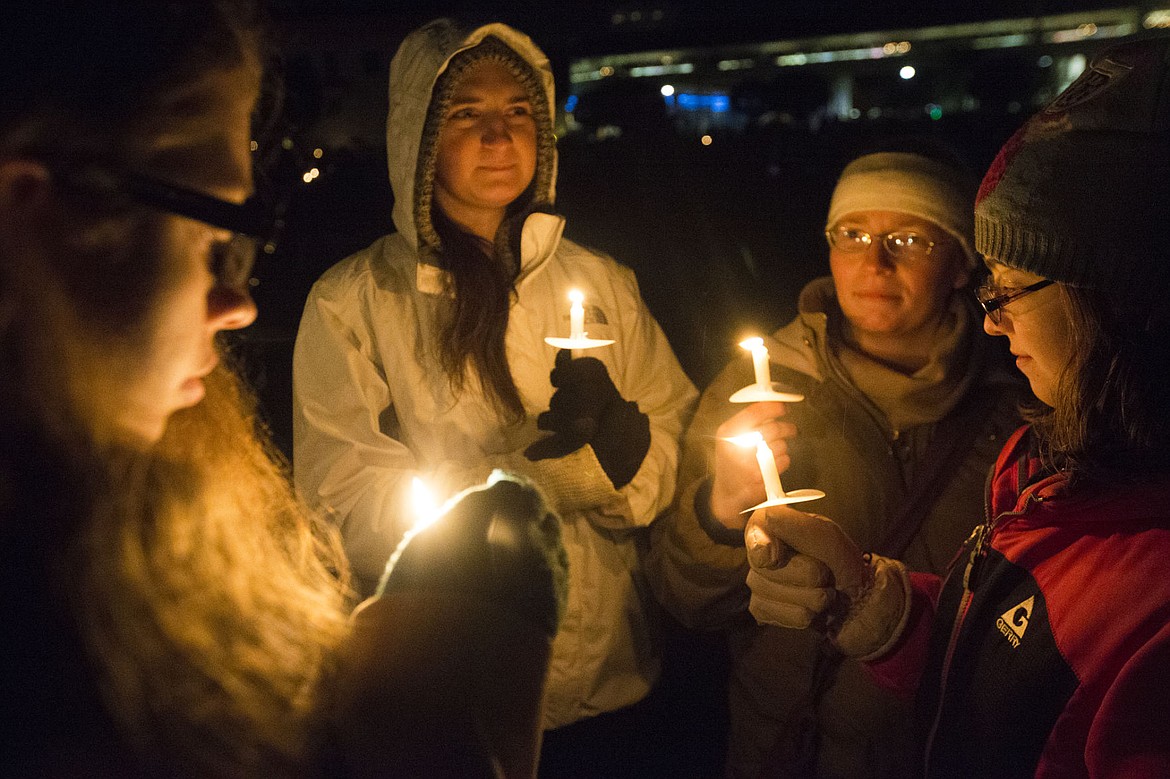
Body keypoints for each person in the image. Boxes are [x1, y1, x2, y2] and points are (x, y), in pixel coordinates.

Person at [0, 2, 566, 776]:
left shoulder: (149, 519)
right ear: (28, 215)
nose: (239, 306)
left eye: (244, 247)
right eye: (213, 240)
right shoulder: (46, 650)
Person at [744, 36, 1170, 778]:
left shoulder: (1148, 595)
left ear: (1115, 298)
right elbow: (1007, 657)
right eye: (850, 235)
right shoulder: (1051, 465)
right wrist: (872, 602)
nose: (993, 320)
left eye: (1009, 288)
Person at [290, 15, 697, 765]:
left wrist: (626, 468)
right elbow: (343, 502)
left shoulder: (600, 280)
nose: (497, 137)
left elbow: (674, 431)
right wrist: (539, 484)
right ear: (417, 135)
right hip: (456, 691)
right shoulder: (354, 302)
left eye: (517, 114)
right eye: (466, 115)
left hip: (614, 680)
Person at [646, 144, 1027, 777]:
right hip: (788, 750)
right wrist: (718, 513)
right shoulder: (759, 388)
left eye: (908, 239)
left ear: (961, 264)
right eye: (852, 234)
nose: (873, 262)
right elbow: (689, 603)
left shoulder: (1018, 411)